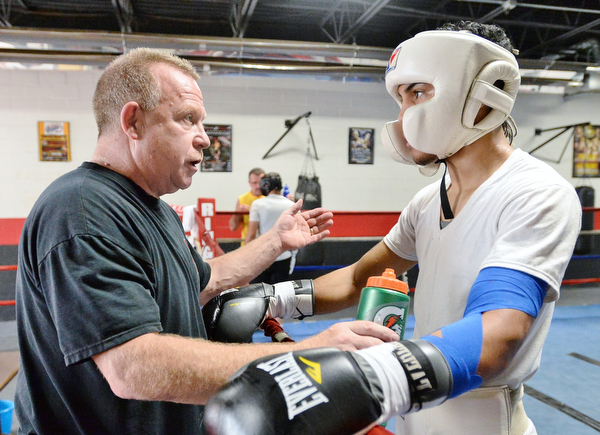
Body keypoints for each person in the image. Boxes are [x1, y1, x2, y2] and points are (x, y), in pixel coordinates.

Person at [203, 21, 582, 435]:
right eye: (401, 99)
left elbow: (499, 333)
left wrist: (373, 374)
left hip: (482, 420)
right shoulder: (426, 202)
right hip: (414, 412)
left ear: (484, 94)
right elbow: (357, 278)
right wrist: (275, 298)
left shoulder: (537, 193)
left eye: (418, 93)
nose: (404, 116)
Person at [13, 47, 400, 435]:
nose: (204, 140)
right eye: (188, 119)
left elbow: (202, 283)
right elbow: (133, 367)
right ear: (133, 122)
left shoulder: (154, 209)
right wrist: (306, 355)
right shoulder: (82, 210)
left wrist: (276, 241)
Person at [245, 172, 297, 284]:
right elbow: (296, 233)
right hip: (284, 256)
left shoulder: (258, 204)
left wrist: (245, 257)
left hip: (262, 256)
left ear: (266, 184)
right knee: (280, 295)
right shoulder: (291, 205)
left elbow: (251, 234)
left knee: (258, 295)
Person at [229, 167, 265, 245]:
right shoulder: (242, 199)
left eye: (260, 182)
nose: (258, 186)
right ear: (249, 183)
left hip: (265, 244)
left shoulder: (270, 197)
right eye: (254, 183)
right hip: (248, 245)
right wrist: (238, 213)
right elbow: (233, 227)